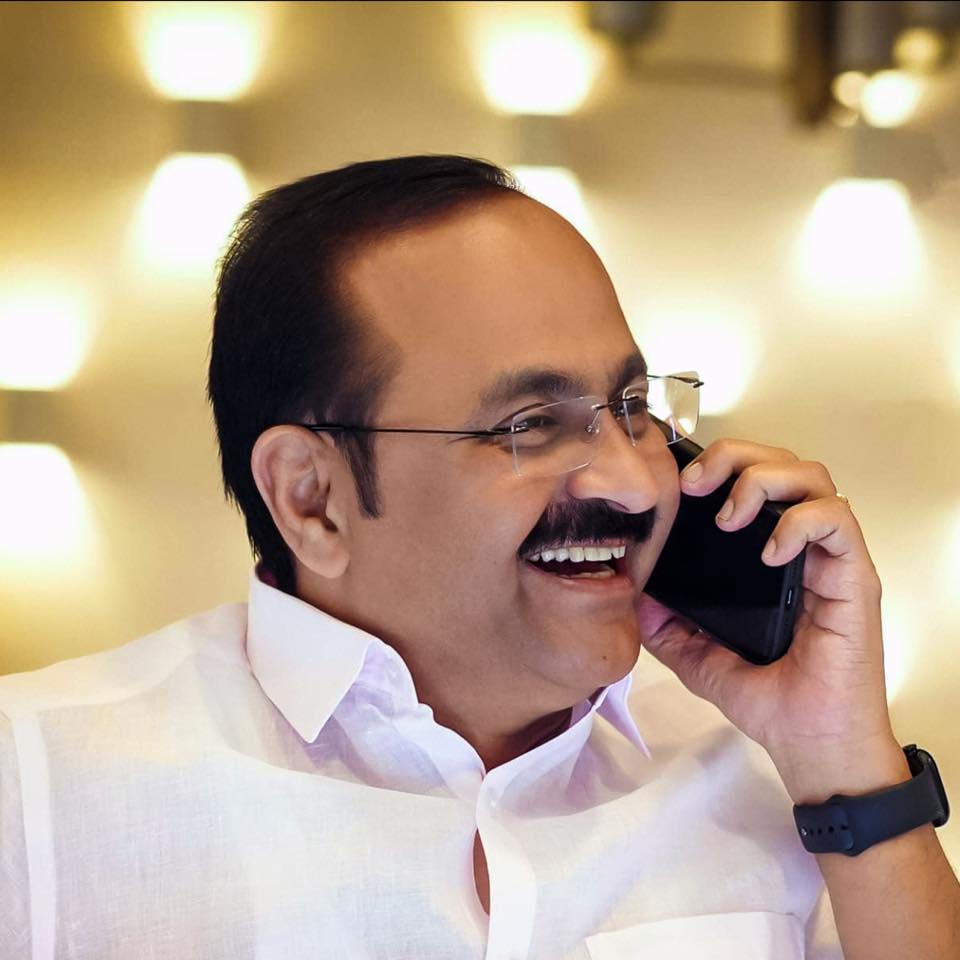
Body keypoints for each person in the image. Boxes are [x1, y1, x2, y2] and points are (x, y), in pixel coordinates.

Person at [1, 155, 957, 959]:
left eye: (633, 408)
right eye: (531, 424)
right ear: (311, 497)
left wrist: (843, 760)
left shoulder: (779, 776)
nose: (636, 483)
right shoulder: (37, 783)